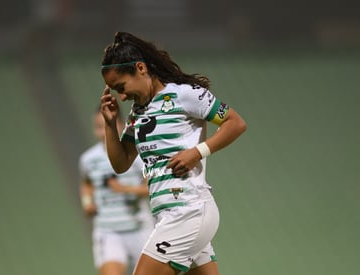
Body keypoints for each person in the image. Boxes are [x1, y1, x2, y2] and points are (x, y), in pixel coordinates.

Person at [99, 32, 247, 275]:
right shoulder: (138, 113)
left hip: (188, 211)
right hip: (168, 215)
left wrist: (198, 152)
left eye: (121, 87)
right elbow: (121, 163)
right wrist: (109, 124)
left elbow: (235, 122)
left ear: (140, 68)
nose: (122, 97)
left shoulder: (185, 94)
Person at [78, 107, 154, 275]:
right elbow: (86, 184)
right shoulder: (89, 159)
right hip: (108, 231)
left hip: (139, 228)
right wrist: (87, 203)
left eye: (107, 126)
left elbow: (152, 187)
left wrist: (124, 189)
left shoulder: (137, 156)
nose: (103, 132)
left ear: (120, 124)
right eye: (98, 127)